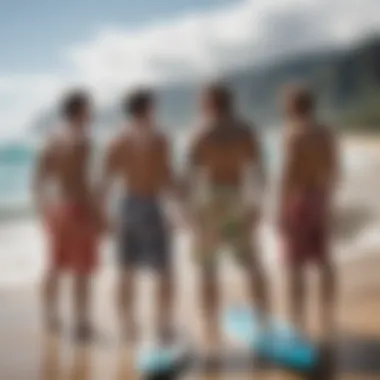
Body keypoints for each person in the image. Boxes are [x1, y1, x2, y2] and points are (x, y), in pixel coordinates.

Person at [185, 82, 269, 357]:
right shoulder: (246, 130)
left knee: (208, 268)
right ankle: (262, 322)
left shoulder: (200, 132)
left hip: (210, 201)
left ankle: (211, 329)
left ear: (208, 102)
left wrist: (190, 213)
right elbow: (259, 170)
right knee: (251, 262)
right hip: (237, 197)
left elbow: (188, 177)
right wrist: (256, 205)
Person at [99, 88, 178, 343]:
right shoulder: (159, 138)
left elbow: (105, 182)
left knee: (125, 269)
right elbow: (167, 177)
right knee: (164, 270)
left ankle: (127, 326)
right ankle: (162, 325)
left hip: (127, 205)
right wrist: (181, 209)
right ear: (150, 108)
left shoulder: (117, 140)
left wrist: (104, 215)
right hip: (151, 204)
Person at [34, 90, 102, 341]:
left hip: (56, 208)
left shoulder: (51, 139)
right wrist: (99, 214)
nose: (92, 113)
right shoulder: (83, 139)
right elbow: (84, 183)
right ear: (80, 111)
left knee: (54, 265)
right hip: (78, 208)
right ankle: (81, 324)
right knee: (81, 270)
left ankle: (50, 317)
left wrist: (42, 209)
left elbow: (39, 177)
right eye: (89, 108)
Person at [279, 85, 340, 339]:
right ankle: (327, 318)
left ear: (293, 105)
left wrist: (280, 208)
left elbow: (288, 175)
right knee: (324, 260)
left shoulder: (293, 133)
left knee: (295, 264)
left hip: (300, 200)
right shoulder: (326, 132)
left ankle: (298, 322)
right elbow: (335, 171)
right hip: (321, 197)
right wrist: (327, 201)